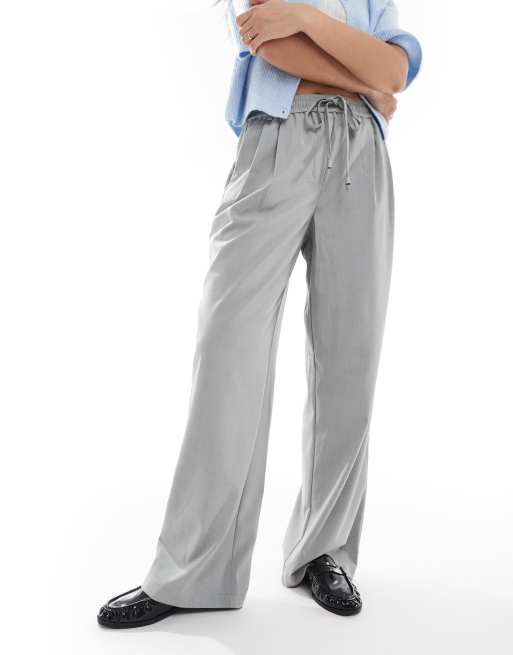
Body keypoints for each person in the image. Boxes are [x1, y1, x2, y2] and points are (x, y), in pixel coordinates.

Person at [97, 0, 422, 628]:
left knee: (350, 360)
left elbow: (395, 71)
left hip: (361, 155)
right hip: (275, 141)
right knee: (228, 357)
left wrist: (310, 21)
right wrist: (364, 76)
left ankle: (325, 549)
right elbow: (275, 48)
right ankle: (195, 569)